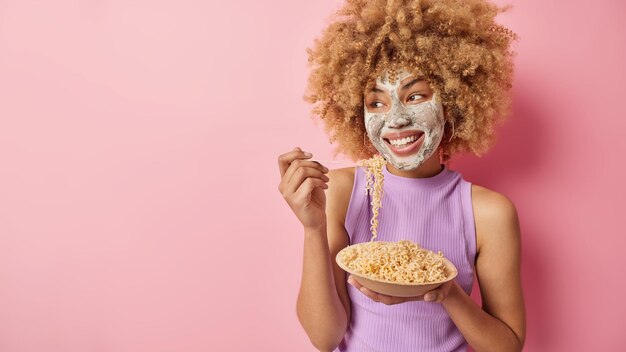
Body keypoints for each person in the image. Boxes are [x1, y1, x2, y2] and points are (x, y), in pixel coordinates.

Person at [277, 0, 525, 351]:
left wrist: (446, 293)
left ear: (453, 102)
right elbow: (324, 337)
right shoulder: (342, 190)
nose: (395, 120)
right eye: (376, 103)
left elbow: (508, 345)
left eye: (416, 96)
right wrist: (313, 228)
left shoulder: (489, 213)